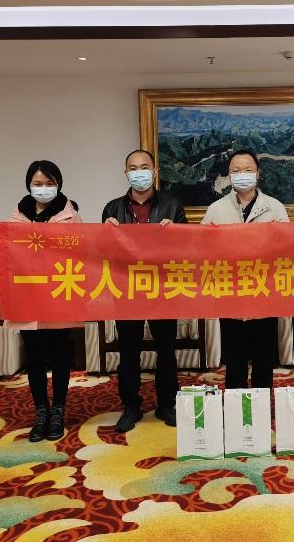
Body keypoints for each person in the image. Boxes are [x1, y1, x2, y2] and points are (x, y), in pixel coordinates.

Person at [0, 160, 82, 442]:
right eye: (38, 184)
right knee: (34, 357)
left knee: (60, 356)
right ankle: (41, 411)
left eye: (49, 184)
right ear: (29, 185)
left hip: (59, 295)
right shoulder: (17, 217)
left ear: (58, 184)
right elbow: (10, 256)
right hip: (28, 296)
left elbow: (82, 253)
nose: (44, 188)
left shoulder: (71, 216)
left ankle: (58, 410)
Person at [103, 149, 187, 433]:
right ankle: (131, 406)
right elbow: (104, 254)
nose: (139, 172)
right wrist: (106, 232)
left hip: (162, 288)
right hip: (127, 289)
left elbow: (188, 248)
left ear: (154, 171)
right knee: (128, 352)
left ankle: (167, 404)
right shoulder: (112, 209)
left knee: (166, 351)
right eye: (133, 168)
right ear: (125, 173)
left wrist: (176, 232)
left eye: (144, 167)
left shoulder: (172, 204)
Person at [201, 149, 289, 390]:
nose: (242, 175)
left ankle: (261, 407)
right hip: (231, 294)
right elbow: (202, 248)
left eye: (248, 170)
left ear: (257, 173)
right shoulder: (216, 209)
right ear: (229, 175)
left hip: (265, 292)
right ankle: (236, 407)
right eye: (236, 171)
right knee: (234, 359)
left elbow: (287, 251)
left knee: (264, 358)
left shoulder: (274, 207)